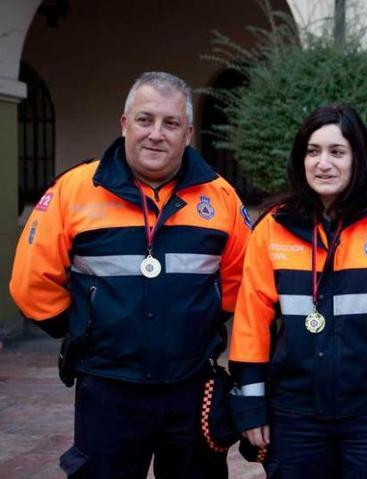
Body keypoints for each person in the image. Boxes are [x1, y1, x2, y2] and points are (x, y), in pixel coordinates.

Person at [9, 71, 251, 478]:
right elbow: (31, 282)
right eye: (145, 119)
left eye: (171, 123)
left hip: (191, 390)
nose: (156, 133)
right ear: (125, 124)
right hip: (107, 389)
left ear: (188, 133)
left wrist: (194, 325)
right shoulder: (74, 190)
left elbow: (242, 284)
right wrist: (85, 331)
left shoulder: (221, 197)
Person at [228, 104, 367, 478]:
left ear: (357, 158)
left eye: (337, 152)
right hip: (294, 415)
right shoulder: (272, 229)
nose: (323, 163)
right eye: (313, 151)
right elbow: (251, 327)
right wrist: (251, 409)